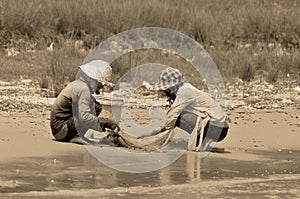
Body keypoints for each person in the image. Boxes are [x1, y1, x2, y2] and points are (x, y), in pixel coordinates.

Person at [148, 67, 229, 152]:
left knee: (178, 117)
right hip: (220, 127)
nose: (166, 92)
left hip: (217, 129)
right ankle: (203, 141)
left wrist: (154, 135)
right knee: (180, 115)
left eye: (167, 89)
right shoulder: (186, 88)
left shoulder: (184, 91)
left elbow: (171, 117)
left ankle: (200, 142)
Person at [50, 60, 118, 144]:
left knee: (96, 106)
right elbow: (85, 117)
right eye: (100, 85)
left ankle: (79, 134)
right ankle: (77, 136)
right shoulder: (84, 89)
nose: (100, 89)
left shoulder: (78, 84)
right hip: (61, 129)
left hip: (60, 128)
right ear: (93, 80)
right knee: (91, 113)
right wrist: (107, 123)